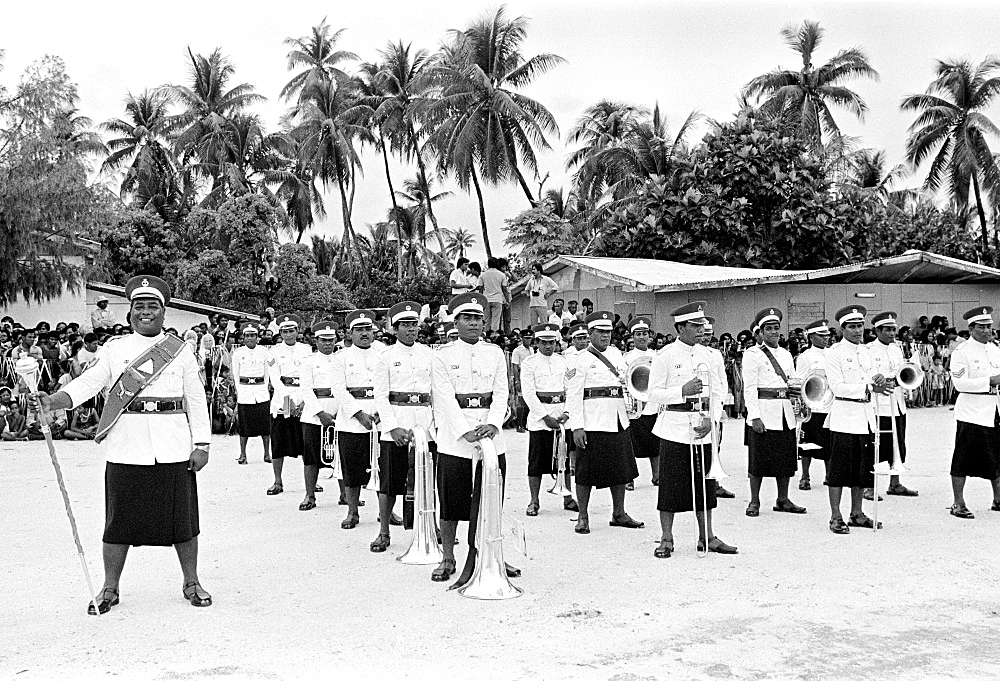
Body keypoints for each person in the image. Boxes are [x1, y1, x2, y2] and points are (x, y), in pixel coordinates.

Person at [36, 275, 212, 613]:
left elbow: (196, 399)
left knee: (184, 521)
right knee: (118, 523)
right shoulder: (114, 349)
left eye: (153, 306)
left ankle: (192, 581)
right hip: (126, 447)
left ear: (164, 312)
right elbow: (89, 383)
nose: (146, 312)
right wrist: (55, 401)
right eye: (139, 306)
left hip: (173, 446)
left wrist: (201, 443)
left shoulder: (181, 350)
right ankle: (109, 588)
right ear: (130, 312)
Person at [430, 292, 512, 587]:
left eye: (478, 318)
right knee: (451, 501)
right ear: (457, 321)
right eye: (467, 318)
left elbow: (501, 393)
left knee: (491, 499)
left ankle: (492, 552)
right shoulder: (441, 356)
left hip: (491, 437)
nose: (474, 323)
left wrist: (492, 423)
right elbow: (444, 397)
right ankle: (448, 556)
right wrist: (464, 430)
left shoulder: (495, 354)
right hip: (456, 440)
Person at [646, 302, 737, 558]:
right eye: (695, 326)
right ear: (680, 328)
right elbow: (652, 394)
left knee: (705, 485)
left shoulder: (710, 355)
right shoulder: (664, 355)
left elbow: (719, 391)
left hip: (703, 426)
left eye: (702, 325)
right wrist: (681, 392)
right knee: (670, 487)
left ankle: (706, 536)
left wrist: (713, 419)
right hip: (674, 428)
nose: (701, 330)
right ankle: (666, 538)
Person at [566, 310, 642, 535]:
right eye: (600, 332)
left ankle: (619, 513)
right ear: (590, 333)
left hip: (617, 418)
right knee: (585, 472)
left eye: (608, 332)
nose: (605, 336)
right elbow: (573, 394)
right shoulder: (579, 360)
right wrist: (577, 426)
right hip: (593, 421)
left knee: (621, 469)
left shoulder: (618, 355)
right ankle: (583, 516)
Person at [372, 301, 436, 552]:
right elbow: (380, 395)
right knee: (389, 482)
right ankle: (384, 531)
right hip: (396, 428)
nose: (411, 329)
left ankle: (431, 526)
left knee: (428, 479)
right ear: (394, 329)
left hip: (425, 424)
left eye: (414, 325)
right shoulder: (385, 357)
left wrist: (435, 426)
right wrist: (392, 427)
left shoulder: (430, 355)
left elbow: (435, 392)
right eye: (405, 325)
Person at [825, 305, 887, 533]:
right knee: (839, 471)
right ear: (842, 329)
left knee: (862, 470)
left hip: (866, 416)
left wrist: (879, 380)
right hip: (845, 416)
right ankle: (835, 516)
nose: (858, 330)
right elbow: (837, 387)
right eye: (852, 327)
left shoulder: (867, 351)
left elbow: (873, 381)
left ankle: (857, 513)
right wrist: (869, 387)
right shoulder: (834, 353)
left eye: (860, 325)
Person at [742, 308, 806, 518]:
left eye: (776, 328)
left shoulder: (786, 354)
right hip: (764, 411)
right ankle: (754, 500)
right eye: (768, 329)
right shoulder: (752, 355)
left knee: (785, 459)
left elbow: (793, 382)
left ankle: (783, 499)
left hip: (784, 412)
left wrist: (800, 404)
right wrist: (754, 417)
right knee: (758, 460)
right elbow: (749, 388)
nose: (773, 332)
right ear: (760, 332)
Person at [330, 310, 386, 529]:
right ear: (350, 333)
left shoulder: (383, 354)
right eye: (359, 330)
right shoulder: (340, 358)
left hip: (381, 420)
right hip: (352, 422)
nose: (364, 334)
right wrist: (359, 414)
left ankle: (386, 512)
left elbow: (389, 386)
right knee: (351, 469)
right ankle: (352, 512)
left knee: (384, 468)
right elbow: (339, 389)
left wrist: (383, 411)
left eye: (367, 329)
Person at [947, 306, 1000, 519]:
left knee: (996, 456)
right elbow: (959, 383)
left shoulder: (995, 349)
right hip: (972, 411)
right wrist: (989, 381)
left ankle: (998, 499)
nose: (988, 331)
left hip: (994, 410)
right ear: (971, 328)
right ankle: (958, 503)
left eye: (989, 326)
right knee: (963, 458)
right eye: (982, 327)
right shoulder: (962, 352)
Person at [520, 322, 578, 516]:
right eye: (544, 342)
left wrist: (567, 413)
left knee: (564, 459)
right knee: (536, 463)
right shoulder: (529, 363)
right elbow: (528, 393)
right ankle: (534, 501)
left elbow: (570, 389)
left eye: (551, 342)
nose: (548, 346)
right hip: (540, 419)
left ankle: (568, 498)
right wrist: (544, 417)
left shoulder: (563, 362)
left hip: (562, 416)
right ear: (536, 342)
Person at [867, 312, 918, 498]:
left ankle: (895, 483)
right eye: (887, 330)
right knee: (877, 445)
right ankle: (868, 486)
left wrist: (908, 389)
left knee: (899, 444)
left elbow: (902, 373)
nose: (891, 333)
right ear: (877, 330)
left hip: (897, 403)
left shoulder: (896, 349)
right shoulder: (869, 350)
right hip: (879, 404)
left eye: (893, 329)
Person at [265, 313, 313, 496]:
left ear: (297, 331)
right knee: (279, 441)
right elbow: (275, 379)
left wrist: (301, 401)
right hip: (283, 399)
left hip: (303, 397)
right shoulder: (273, 352)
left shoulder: (307, 350)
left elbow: (309, 377)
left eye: (292, 330)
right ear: (280, 333)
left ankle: (310, 481)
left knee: (306, 441)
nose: (289, 334)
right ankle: (277, 481)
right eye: (284, 331)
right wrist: (289, 401)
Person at [298, 321, 340, 512]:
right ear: (316, 340)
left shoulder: (341, 360)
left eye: (331, 340)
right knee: (311, 458)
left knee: (341, 456)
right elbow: (306, 390)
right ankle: (309, 495)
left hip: (339, 413)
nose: (328, 344)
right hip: (314, 416)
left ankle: (345, 494)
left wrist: (342, 411)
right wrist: (320, 413)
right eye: (324, 340)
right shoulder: (308, 362)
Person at [698, 316, 735, 499]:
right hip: (695, 407)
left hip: (713, 406)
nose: (705, 338)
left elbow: (722, 382)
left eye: (709, 334)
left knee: (715, 446)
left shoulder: (716, 354)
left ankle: (714, 483)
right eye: (703, 333)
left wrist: (718, 406)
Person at [794, 319, 833, 491]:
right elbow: (800, 381)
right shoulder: (805, 357)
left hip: (830, 404)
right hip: (812, 406)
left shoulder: (832, 354)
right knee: (807, 444)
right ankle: (805, 477)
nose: (826, 338)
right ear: (811, 337)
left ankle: (829, 475)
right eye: (821, 335)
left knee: (829, 443)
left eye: (827, 335)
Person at [622, 317, 659, 488]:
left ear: (649, 336)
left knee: (656, 441)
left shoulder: (657, 356)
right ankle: (628, 478)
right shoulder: (627, 358)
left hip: (653, 405)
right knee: (630, 445)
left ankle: (657, 476)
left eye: (645, 334)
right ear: (632, 337)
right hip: (633, 407)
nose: (642, 337)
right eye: (638, 334)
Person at [231, 325, 272, 465]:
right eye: (247, 336)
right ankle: (243, 454)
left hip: (261, 392)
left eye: (252, 336)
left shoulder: (264, 352)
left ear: (257, 337)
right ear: (243, 338)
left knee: (265, 426)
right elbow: (236, 375)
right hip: (245, 392)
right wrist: (240, 392)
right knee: (244, 426)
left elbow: (267, 373)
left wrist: (264, 388)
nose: (250, 338)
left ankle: (267, 453)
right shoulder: (237, 353)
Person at [510, 328, 535, 433]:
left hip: (530, 377)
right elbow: (515, 366)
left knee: (529, 400)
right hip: (521, 375)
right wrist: (517, 381)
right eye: (526, 338)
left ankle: (526, 424)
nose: (528, 340)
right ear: (521, 338)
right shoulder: (517, 351)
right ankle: (519, 425)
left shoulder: (532, 350)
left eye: (529, 338)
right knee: (520, 402)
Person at [479, 258, 510, 332]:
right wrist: (507, 300)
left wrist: (481, 300)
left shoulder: (483, 275)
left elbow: (480, 288)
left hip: (486, 299)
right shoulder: (501, 275)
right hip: (497, 299)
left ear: (488, 264)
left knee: (487, 320)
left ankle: (486, 335)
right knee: (496, 321)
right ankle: (494, 337)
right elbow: (504, 289)